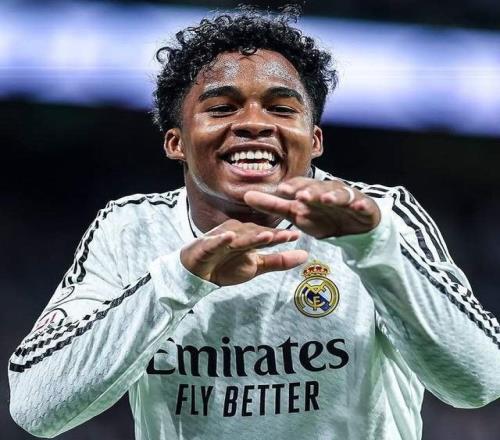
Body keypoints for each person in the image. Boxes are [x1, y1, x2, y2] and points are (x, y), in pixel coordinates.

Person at [8, 5, 500, 440]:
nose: (254, 123)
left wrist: (373, 247)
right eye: (222, 108)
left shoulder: (378, 217)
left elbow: (479, 382)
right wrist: (180, 279)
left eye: (281, 108)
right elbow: (36, 409)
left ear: (314, 139)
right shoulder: (131, 229)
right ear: (176, 142)